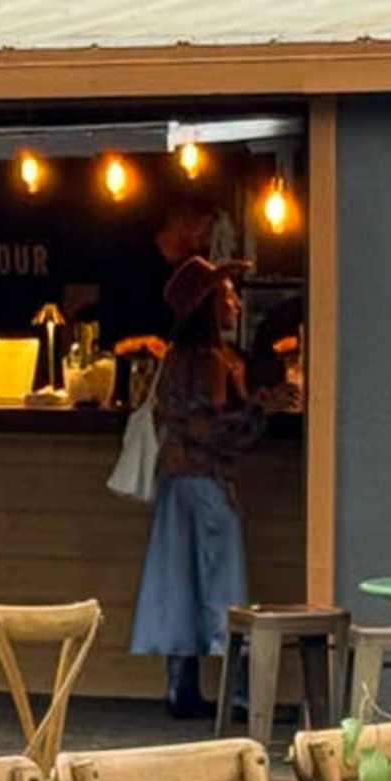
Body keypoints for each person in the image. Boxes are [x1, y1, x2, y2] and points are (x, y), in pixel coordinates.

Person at [132, 252, 268, 720]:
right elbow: (212, 427)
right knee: (226, 585)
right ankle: (242, 696)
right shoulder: (212, 361)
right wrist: (260, 408)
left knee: (179, 581)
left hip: (176, 485)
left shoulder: (173, 359)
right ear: (208, 306)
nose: (235, 303)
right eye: (227, 295)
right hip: (208, 484)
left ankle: (180, 687)